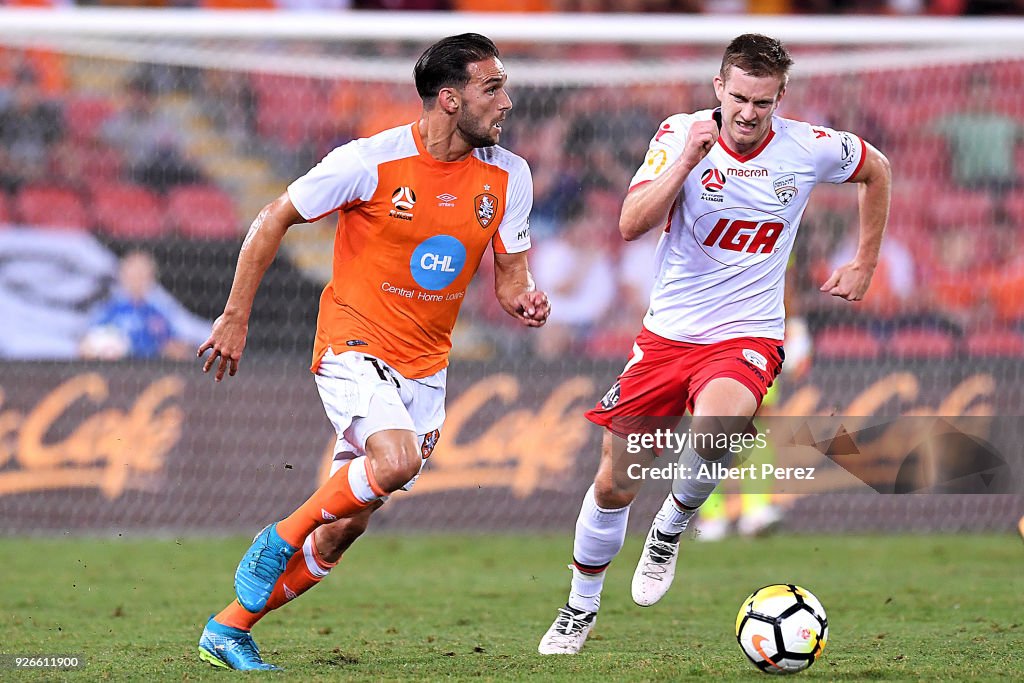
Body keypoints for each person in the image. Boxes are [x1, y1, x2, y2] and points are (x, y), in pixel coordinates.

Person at [196, 33, 550, 671]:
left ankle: (229, 627)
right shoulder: (369, 161)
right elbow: (274, 216)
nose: (507, 101)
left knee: (345, 527)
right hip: (352, 343)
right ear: (449, 99)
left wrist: (525, 298)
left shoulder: (510, 175)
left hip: (427, 368)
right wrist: (234, 316)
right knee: (394, 461)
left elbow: (511, 276)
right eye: (491, 88)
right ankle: (278, 537)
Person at [537, 33, 891, 655]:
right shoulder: (679, 134)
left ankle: (671, 526)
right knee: (616, 484)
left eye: (764, 101)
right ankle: (579, 607)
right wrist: (685, 164)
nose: (750, 113)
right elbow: (628, 225)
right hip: (667, 337)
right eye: (739, 98)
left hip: (748, 333)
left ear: (781, 97)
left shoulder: (808, 147)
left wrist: (864, 262)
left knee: (723, 419)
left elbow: (877, 169)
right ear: (718, 89)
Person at [79, 250, 205, 361]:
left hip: (150, 378)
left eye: (142, 274)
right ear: (122, 276)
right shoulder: (107, 309)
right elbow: (85, 346)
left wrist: (169, 349)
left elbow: (180, 346)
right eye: (133, 274)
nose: (137, 280)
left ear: (151, 278)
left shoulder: (161, 311)